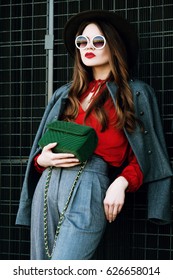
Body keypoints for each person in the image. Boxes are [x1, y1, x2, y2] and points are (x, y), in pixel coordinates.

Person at [16, 10, 173, 260]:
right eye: (82, 42)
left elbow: (148, 155)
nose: (88, 47)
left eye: (98, 41)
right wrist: (40, 161)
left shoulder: (135, 93)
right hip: (46, 186)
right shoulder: (65, 94)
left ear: (114, 45)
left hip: (88, 183)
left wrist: (121, 182)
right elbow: (40, 149)